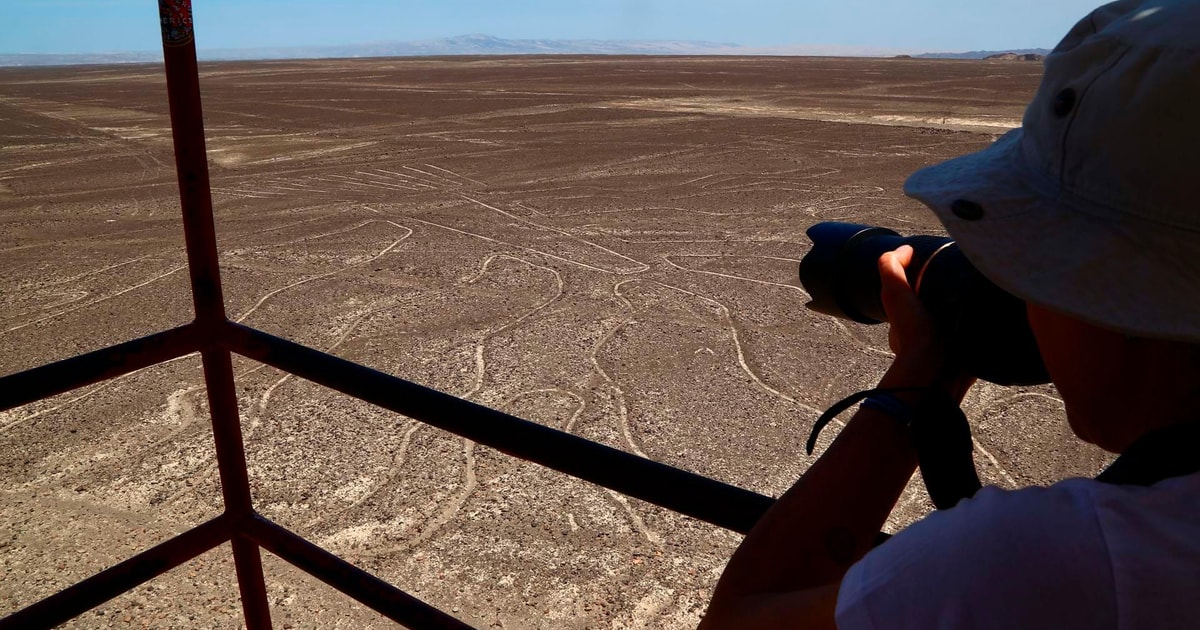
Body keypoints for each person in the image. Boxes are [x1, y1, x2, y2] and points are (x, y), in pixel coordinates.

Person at [699, 0, 1200, 628]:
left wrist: (919, 375)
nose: (1026, 297)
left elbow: (738, 620)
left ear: (1121, 300)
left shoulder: (1066, 562)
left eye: (1033, 267)